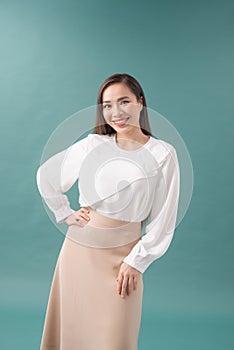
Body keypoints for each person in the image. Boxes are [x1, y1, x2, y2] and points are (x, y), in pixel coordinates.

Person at [36, 73, 180, 350]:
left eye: (124, 101)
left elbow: (163, 220)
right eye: (107, 105)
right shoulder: (94, 145)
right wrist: (64, 212)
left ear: (140, 103)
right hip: (79, 251)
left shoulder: (163, 153)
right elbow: (46, 175)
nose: (116, 112)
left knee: (116, 339)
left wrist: (136, 261)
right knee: (73, 331)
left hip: (124, 255)